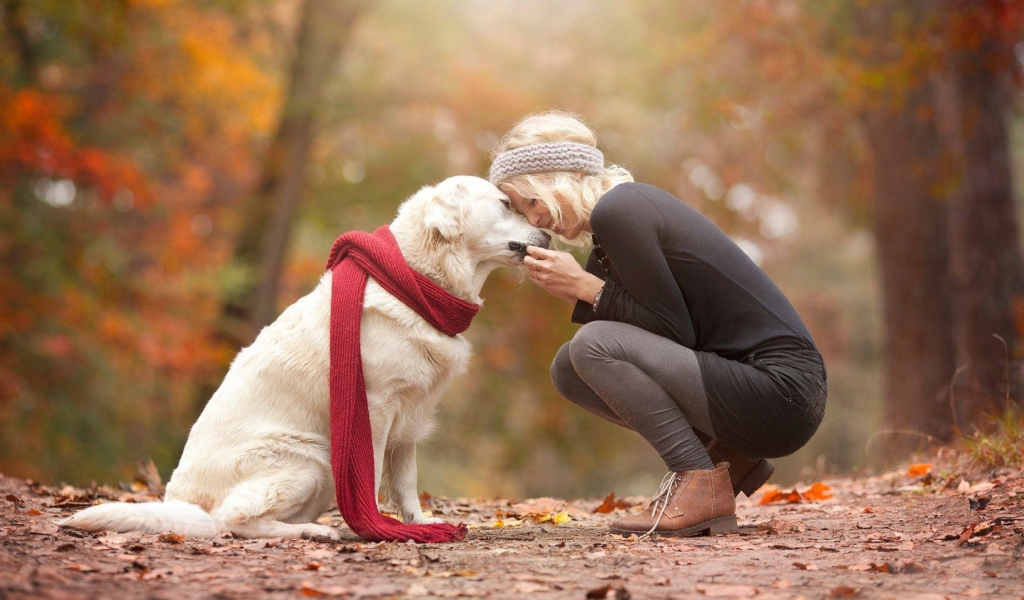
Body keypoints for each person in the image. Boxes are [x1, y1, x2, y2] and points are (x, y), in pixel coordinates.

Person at [487, 111, 827, 537]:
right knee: (569, 368)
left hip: (781, 392)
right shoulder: (613, 226)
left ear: (556, 179)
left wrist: (587, 287)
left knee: (592, 344)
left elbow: (673, 332)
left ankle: (698, 479)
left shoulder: (621, 210)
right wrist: (582, 288)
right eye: (523, 213)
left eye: (531, 203)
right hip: (761, 392)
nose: (534, 221)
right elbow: (663, 331)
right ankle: (724, 459)